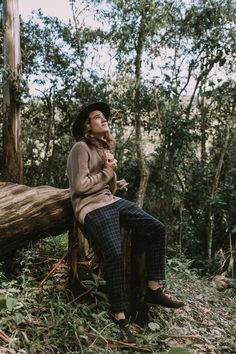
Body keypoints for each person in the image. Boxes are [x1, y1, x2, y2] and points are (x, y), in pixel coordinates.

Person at [67, 102, 184, 343]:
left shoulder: (101, 148)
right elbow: (80, 187)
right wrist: (109, 172)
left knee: (156, 228)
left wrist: (114, 181)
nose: (104, 120)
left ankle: (153, 289)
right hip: (91, 208)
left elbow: (102, 183)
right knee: (114, 251)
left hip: (110, 201)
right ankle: (119, 314)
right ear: (87, 127)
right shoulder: (80, 148)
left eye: (104, 117)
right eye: (98, 117)